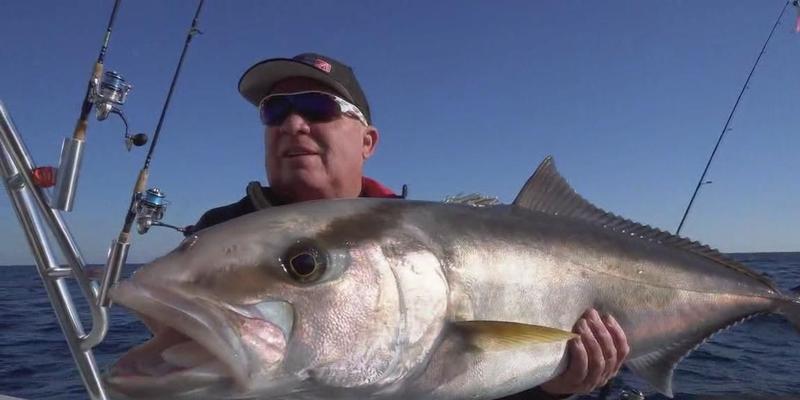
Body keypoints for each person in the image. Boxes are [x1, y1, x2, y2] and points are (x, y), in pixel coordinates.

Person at [185, 53, 630, 399]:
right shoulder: (215, 237)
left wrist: (556, 388)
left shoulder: (416, 248)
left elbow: (466, 381)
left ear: (367, 141)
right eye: (274, 111)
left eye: (317, 107)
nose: (293, 124)